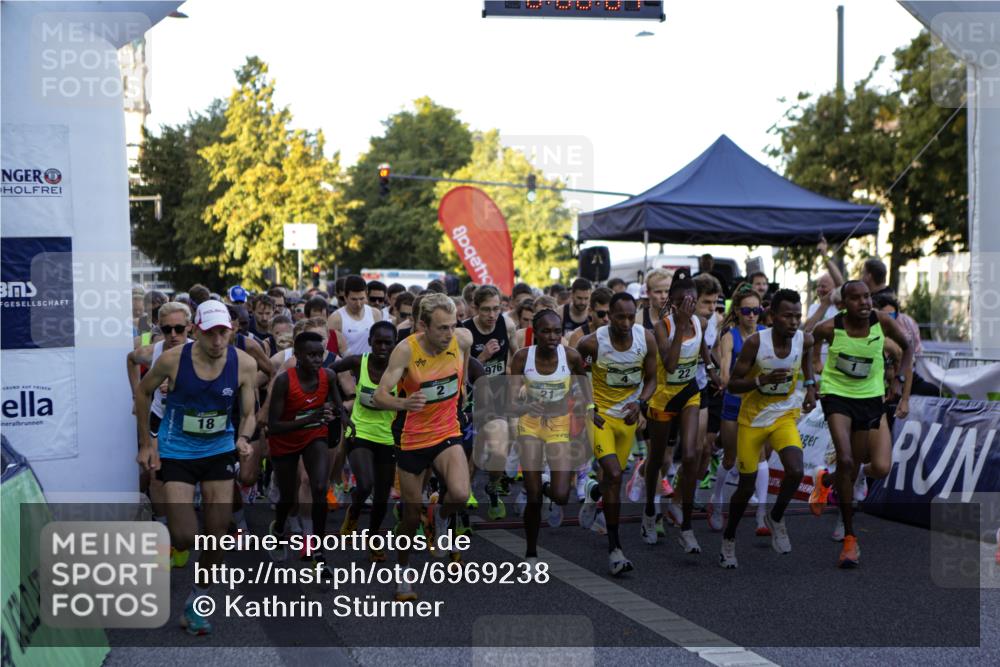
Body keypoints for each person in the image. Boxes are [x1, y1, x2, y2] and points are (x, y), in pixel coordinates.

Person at [134, 300, 258, 636]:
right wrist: (147, 443)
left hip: (219, 450)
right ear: (195, 331)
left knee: (217, 536)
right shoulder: (173, 360)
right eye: (210, 333)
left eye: (223, 333)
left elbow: (249, 413)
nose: (218, 341)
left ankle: (196, 602)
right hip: (177, 451)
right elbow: (143, 393)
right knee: (185, 537)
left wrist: (245, 438)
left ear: (231, 331)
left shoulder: (243, 364)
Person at [374, 293, 473, 601]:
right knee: (410, 516)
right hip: (412, 438)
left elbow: (463, 365)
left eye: (452, 326)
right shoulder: (405, 351)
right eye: (442, 328)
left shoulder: (463, 339)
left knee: (459, 493)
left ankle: (441, 516)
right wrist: (404, 402)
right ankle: (403, 575)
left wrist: (463, 392)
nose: (449, 334)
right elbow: (379, 396)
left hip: (446, 430)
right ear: (423, 326)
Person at [809, 280, 913, 568]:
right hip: (837, 396)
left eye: (868, 297)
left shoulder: (882, 323)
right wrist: (813, 374)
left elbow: (907, 348)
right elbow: (811, 342)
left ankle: (826, 481)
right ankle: (850, 539)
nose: (865, 303)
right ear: (844, 303)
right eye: (857, 298)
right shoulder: (830, 327)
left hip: (870, 400)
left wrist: (901, 382)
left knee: (853, 466)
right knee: (845, 458)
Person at [719, 289, 817, 568]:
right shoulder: (755, 344)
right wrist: (762, 381)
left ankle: (776, 517)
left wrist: (810, 386)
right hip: (751, 421)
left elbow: (809, 348)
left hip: (783, 416)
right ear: (772, 316)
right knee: (745, 485)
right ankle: (729, 538)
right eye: (787, 316)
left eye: (798, 316)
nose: (794, 321)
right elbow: (733, 385)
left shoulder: (802, 339)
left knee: (796, 470)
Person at [575, 292, 657, 575]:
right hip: (599, 418)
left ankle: (592, 493)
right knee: (614, 474)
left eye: (630, 316)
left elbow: (652, 378)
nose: (625, 322)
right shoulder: (591, 343)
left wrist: (641, 403)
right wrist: (588, 407)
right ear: (608, 314)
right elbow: (576, 378)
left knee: (611, 480)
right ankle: (615, 550)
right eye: (619, 316)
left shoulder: (645, 338)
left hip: (628, 418)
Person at [644, 269, 720, 554]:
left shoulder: (700, 322)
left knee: (692, 455)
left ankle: (686, 525)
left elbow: (703, 350)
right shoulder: (662, 327)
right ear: (674, 304)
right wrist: (679, 322)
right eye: (683, 302)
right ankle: (650, 510)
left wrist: (712, 370)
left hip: (689, 393)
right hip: (663, 397)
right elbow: (672, 364)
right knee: (657, 459)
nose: (690, 306)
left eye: (693, 301)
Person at [509, 309, 590, 571]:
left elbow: (584, 384)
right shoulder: (523, 357)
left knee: (561, 495)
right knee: (533, 497)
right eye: (546, 331)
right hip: (530, 426)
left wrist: (586, 409)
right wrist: (527, 405)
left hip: (558, 426)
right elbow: (510, 402)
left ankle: (547, 487)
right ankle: (531, 552)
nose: (553, 336)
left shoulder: (571, 356)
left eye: (558, 331)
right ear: (535, 333)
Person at [265, 331, 349, 566]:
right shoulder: (284, 381)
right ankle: (279, 529)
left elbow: (337, 404)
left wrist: (345, 419)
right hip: (285, 440)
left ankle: (319, 551)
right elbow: (274, 426)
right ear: (297, 356)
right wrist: (312, 416)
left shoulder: (328, 376)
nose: (317, 360)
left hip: (314, 435)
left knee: (319, 487)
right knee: (288, 498)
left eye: (319, 355)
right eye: (310, 355)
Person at [127, 302, 193, 535]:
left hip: (190, 421)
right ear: (159, 328)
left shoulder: (201, 352)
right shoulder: (151, 352)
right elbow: (130, 359)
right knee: (155, 475)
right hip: (160, 418)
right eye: (167, 330)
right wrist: (138, 395)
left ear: (190, 327)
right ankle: (163, 527)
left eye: (179, 329)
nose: (173, 335)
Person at [708, 284, 767, 533]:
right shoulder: (730, 336)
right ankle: (717, 500)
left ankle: (762, 516)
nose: (752, 315)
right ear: (738, 312)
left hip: (759, 406)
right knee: (730, 458)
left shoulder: (767, 333)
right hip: (733, 403)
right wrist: (724, 378)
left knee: (762, 457)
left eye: (756, 310)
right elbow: (723, 371)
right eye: (746, 311)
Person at [461, 285, 517, 520]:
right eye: (486, 310)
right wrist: (481, 357)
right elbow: (460, 372)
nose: (492, 315)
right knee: (470, 452)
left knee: (499, 449)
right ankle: (469, 491)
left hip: (497, 398)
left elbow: (516, 356)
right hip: (472, 400)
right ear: (475, 308)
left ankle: (493, 486)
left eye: (496, 309)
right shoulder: (464, 332)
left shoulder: (508, 325)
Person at [328, 275, 383, 356]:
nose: (358, 304)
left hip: (370, 366)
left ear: (366, 295)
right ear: (345, 297)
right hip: (346, 366)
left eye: (361, 299)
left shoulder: (375, 314)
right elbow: (330, 351)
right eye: (354, 299)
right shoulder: (336, 319)